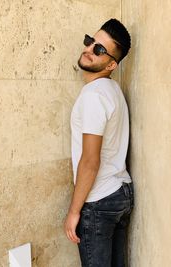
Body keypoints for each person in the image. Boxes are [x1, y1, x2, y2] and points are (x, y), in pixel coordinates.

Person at [64, 18, 134, 267]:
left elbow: (90, 161)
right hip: (120, 192)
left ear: (112, 64)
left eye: (100, 50)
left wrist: (74, 212)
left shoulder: (93, 96)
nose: (90, 49)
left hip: (100, 201)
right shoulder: (112, 90)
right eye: (91, 41)